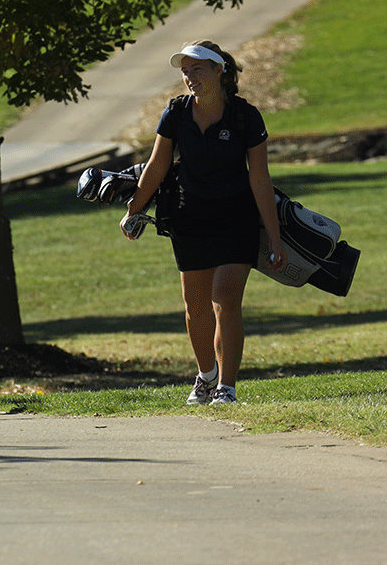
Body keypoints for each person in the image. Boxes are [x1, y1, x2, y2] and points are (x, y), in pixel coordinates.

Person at [120, 40, 285, 405]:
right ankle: (206, 375)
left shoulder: (245, 116)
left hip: (236, 218)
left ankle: (227, 386)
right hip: (189, 217)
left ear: (218, 71)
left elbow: (260, 178)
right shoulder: (176, 113)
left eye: (197, 69)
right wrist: (135, 209)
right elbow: (157, 165)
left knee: (224, 298)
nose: (190, 77)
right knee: (195, 307)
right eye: (185, 71)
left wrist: (274, 238)